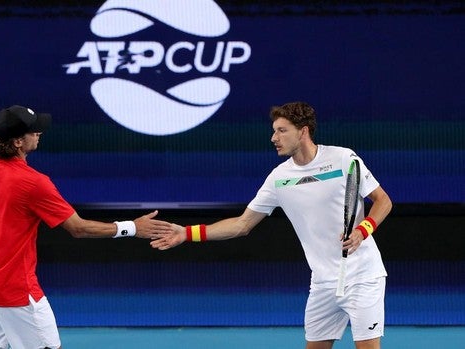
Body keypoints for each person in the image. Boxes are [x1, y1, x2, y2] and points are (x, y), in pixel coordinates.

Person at [151, 101, 392, 349]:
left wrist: (363, 231)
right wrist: (186, 233)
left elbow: (383, 201)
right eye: (274, 130)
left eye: (281, 130)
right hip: (323, 281)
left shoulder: (343, 158)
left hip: (363, 276)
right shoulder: (279, 178)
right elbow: (242, 224)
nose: (273, 137)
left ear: (303, 131)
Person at [0, 105, 172, 349]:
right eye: (33, 131)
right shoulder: (34, 183)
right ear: (17, 142)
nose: (39, 134)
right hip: (19, 296)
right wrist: (133, 227)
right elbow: (78, 228)